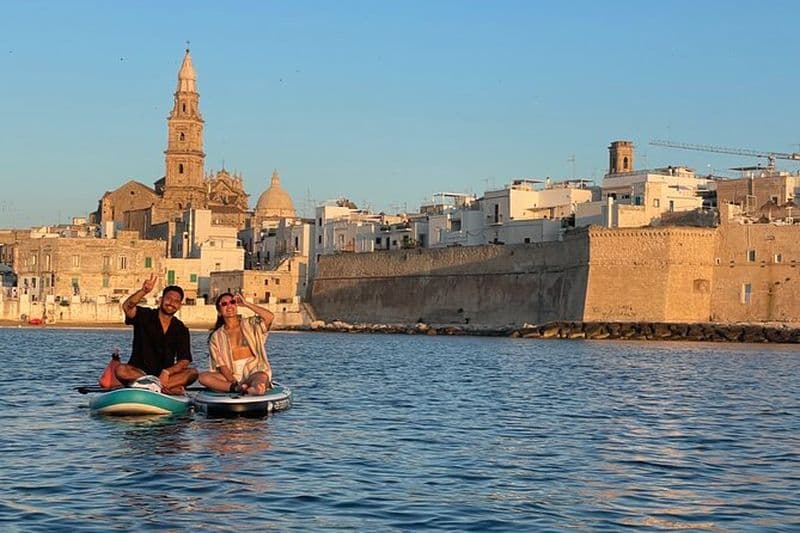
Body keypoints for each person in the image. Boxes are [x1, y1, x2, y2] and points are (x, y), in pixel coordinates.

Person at [115, 273, 198, 394]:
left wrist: (167, 372)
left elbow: (184, 360)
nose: (171, 303)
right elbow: (128, 307)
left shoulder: (181, 329)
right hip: (138, 374)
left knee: (193, 373)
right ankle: (161, 388)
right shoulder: (145, 315)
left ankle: (152, 386)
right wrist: (144, 291)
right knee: (120, 370)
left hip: (165, 377)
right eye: (168, 299)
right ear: (161, 300)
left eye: (176, 301)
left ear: (179, 306)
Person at [199, 291, 274, 396]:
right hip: (231, 375)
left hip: (254, 370)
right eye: (224, 304)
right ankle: (238, 388)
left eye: (232, 302)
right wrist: (234, 382)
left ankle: (253, 389)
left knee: (261, 379)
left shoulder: (251, 324)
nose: (229, 306)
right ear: (219, 311)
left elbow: (269, 317)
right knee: (203, 377)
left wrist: (246, 304)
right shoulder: (216, 336)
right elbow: (222, 365)